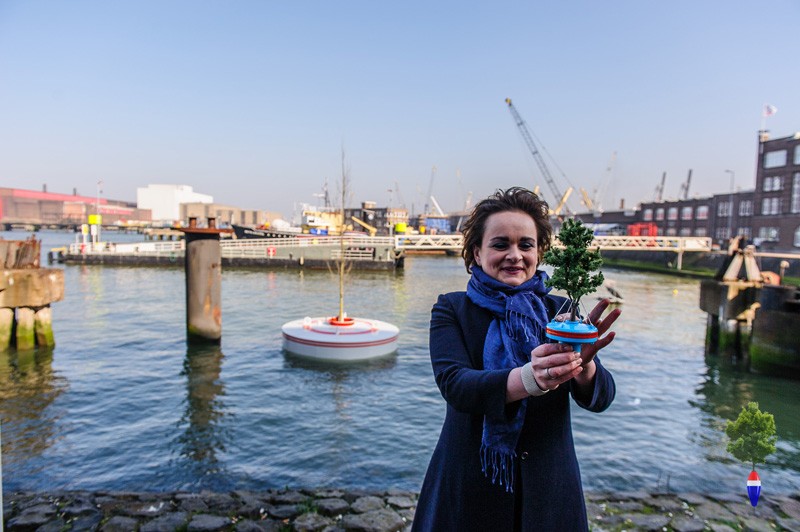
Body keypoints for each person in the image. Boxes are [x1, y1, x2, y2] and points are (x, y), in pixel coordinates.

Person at [412, 187, 621, 531]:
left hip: (550, 489)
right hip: (469, 487)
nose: (515, 255)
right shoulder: (452, 308)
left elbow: (602, 398)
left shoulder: (561, 310)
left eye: (526, 244)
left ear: (539, 252)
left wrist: (584, 366)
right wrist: (529, 378)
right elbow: (455, 385)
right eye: (500, 244)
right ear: (477, 253)